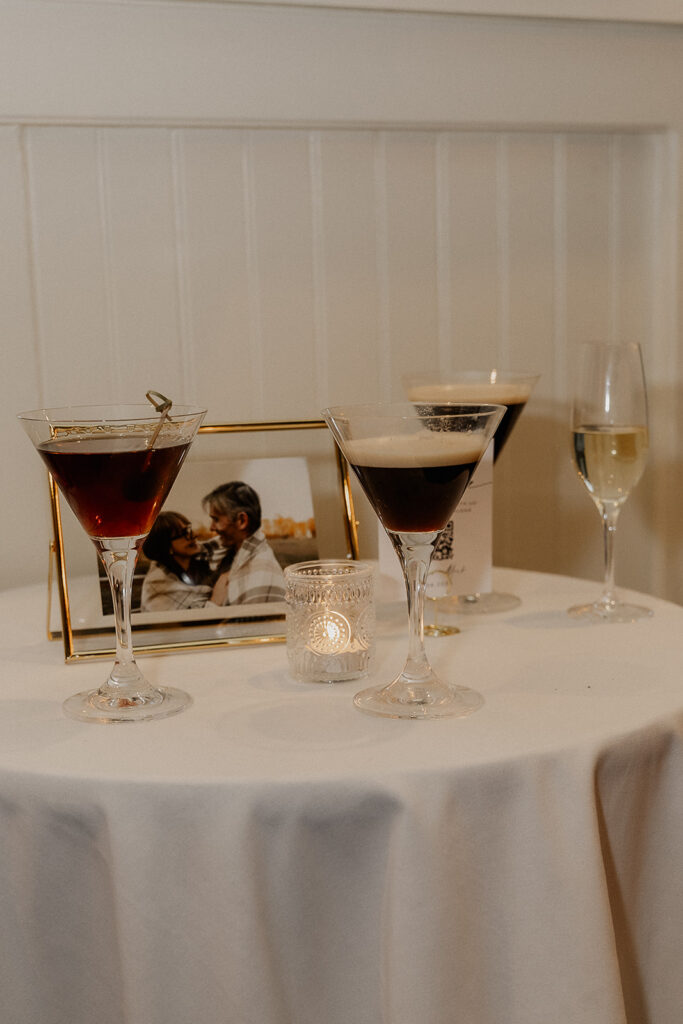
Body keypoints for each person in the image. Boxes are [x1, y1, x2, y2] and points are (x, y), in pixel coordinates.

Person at [203, 481, 285, 605]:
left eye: (216, 519)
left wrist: (213, 603)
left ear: (242, 521)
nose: (212, 527)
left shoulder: (261, 574)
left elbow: (248, 624)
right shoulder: (230, 553)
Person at [140, 512, 213, 611]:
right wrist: (217, 594)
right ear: (166, 545)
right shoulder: (157, 582)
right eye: (183, 534)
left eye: (188, 530)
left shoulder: (201, 563)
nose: (192, 536)